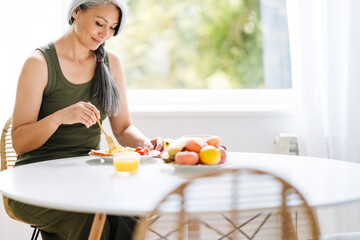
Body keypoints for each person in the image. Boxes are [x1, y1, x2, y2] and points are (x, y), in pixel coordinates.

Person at [7, 0, 163, 239]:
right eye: (99, 23)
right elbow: (19, 142)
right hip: (33, 183)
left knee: (132, 218)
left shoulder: (112, 64)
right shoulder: (39, 64)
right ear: (77, 11)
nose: (105, 34)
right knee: (92, 223)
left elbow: (122, 128)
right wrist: (59, 117)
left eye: (112, 27)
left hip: (86, 181)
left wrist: (145, 145)